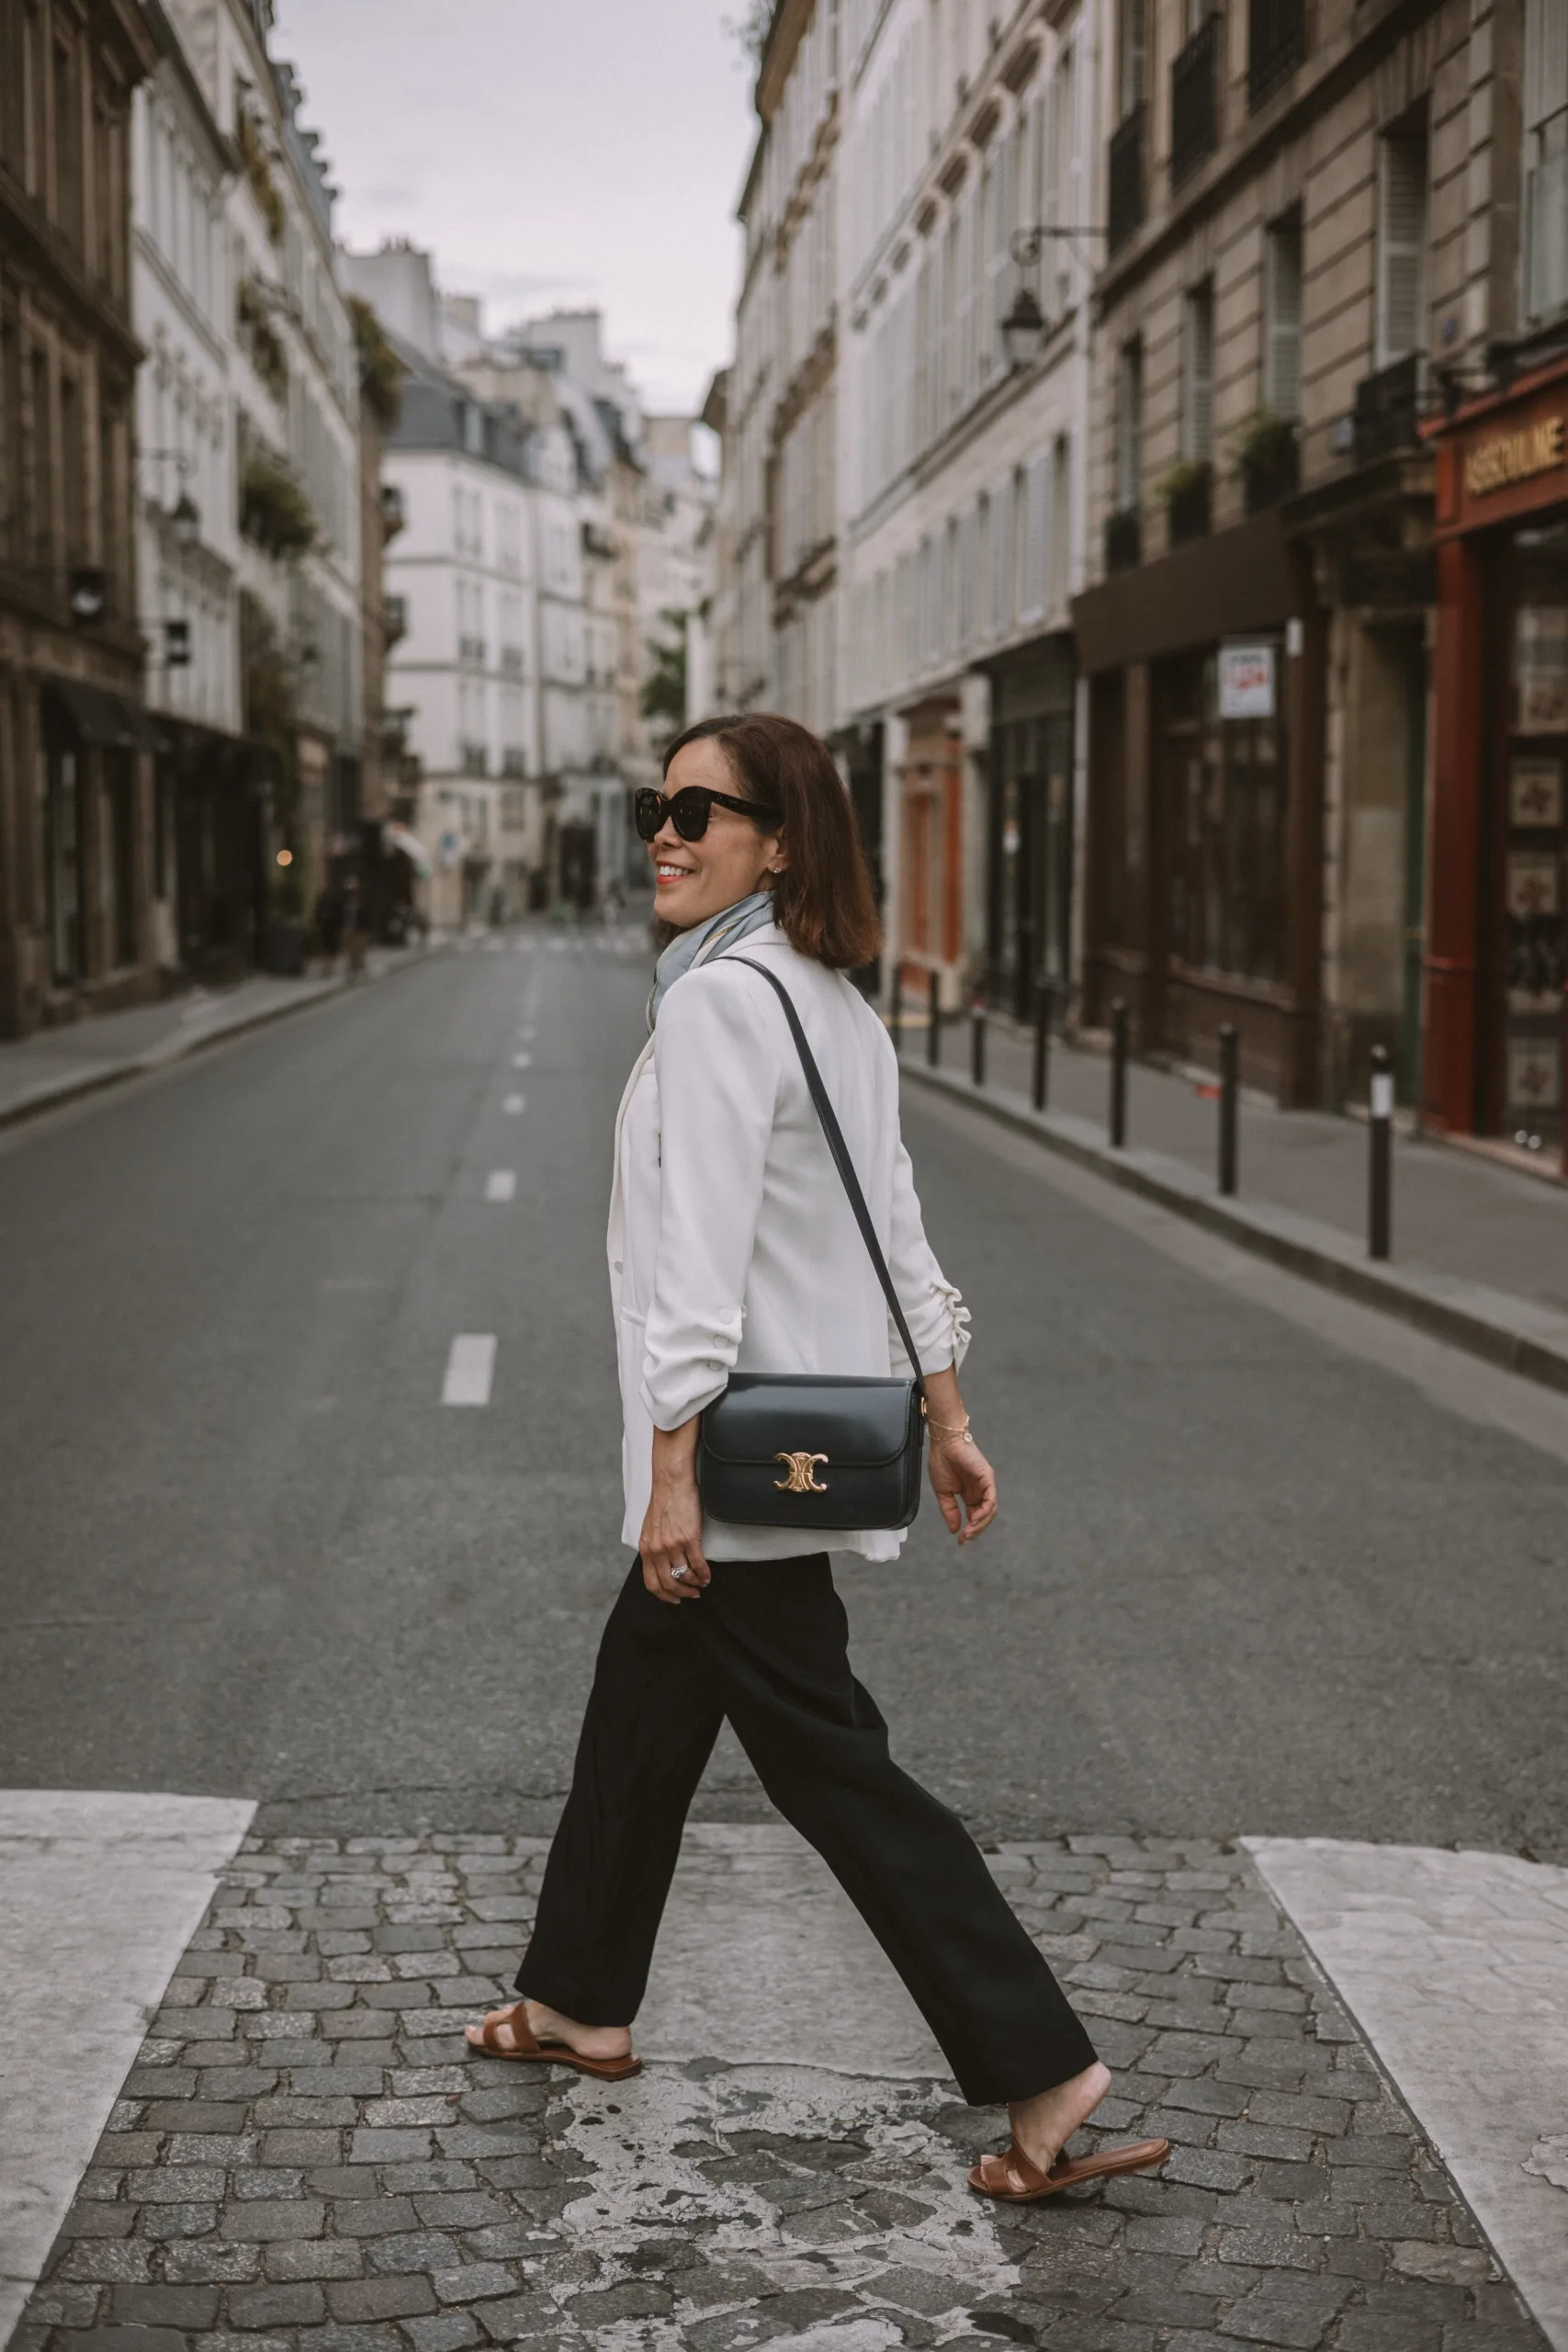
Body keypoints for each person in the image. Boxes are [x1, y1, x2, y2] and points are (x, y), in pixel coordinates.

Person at [466, 714, 1168, 2206]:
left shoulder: (726, 1007)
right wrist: (952, 1413)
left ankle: (1044, 2070)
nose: (665, 829)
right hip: (765, 1470)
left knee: (839, 1774)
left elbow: (693, 1272)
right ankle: (580, 1996)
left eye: (700, 810)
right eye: (657, 805)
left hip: (732, 1480)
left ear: (777, 840)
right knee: (637, 1719)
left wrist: (671, 1475)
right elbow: (899, 1224)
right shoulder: (830, 1001)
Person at [342, 876, 369, 978]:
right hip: (348, 929)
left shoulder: (362, 901)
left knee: (359, 950)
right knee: (350, 951)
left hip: (360, 930)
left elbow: (366, 915)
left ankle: (358, 968)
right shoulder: (345, 901)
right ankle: (352, 969)